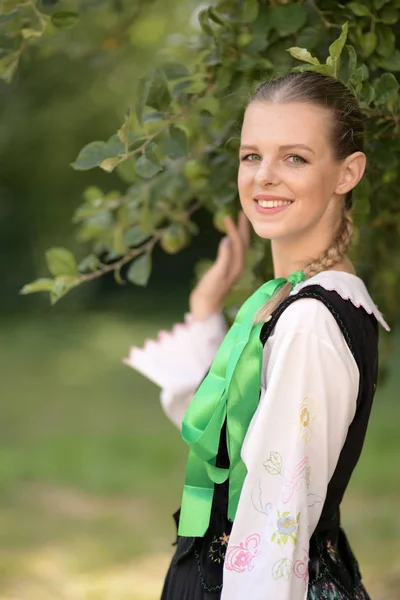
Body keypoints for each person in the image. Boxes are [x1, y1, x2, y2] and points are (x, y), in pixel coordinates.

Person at [124, 72, 390, 600]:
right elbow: (234, 443)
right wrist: (206, 311)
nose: (264, 176)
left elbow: (276, 523)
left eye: (295, 157)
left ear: (347, 172)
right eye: (252, 156)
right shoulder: (297, 298)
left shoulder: (309, 321)